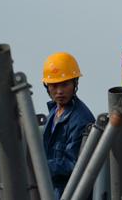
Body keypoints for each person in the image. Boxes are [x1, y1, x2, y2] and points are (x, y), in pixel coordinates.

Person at [42, 52, 95, 199]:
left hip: (70, 193)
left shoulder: (81, 119)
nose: (59, 91)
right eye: (54, 85)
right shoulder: (54, 111)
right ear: (47, 86)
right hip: (53, 190)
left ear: (74, 84)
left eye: (65, 84)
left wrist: (41, 167)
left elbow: (73, 165)